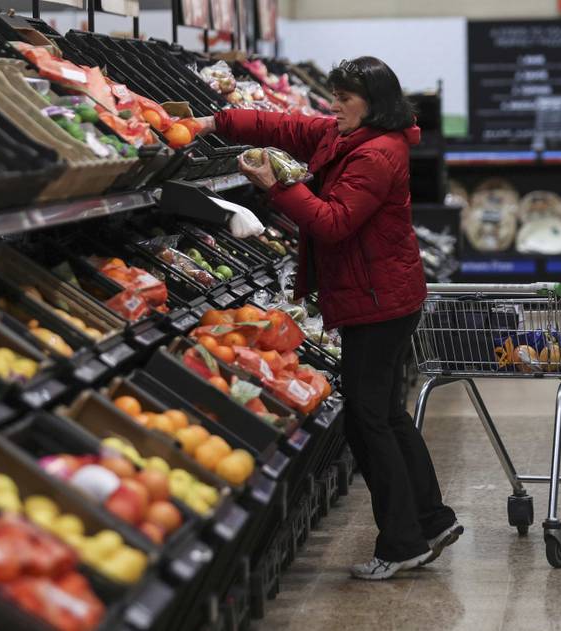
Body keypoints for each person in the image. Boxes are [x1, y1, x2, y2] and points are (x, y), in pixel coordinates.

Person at [195, 56, 461, 580]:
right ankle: (431, 520)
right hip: (379, 295)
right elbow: (287, 125)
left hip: (377, 301)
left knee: (368, 420)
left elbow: (333, 223)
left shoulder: (377, 154)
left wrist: (277, 185)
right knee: (385, 413)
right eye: (334, 96)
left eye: (344, 98)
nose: (333, 105)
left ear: (375, 104)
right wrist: (217, 121)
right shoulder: (350, 136)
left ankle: (403, 541)